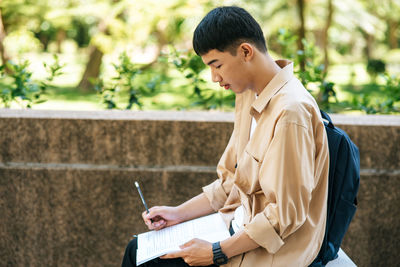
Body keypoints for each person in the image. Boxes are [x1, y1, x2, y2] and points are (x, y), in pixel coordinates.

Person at [122, 6, 329, 267]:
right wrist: (178, 214)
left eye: (216, 65)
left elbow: (286, 214)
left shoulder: (290, 111)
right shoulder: (248, 94)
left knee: (144, 261)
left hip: (273, 252)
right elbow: (232, 181)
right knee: (138, 249)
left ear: (245, 52)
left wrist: (216, 252)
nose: (214, 77)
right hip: (235, 225)